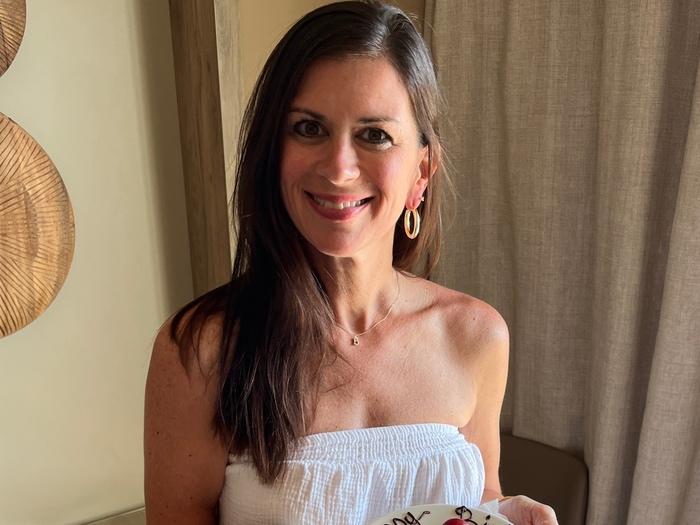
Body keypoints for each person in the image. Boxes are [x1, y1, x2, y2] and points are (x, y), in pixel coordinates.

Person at [144, 1, 558, 524]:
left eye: (374, 135)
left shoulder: (476, 336)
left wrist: (505, 512)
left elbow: (475, 502)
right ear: (273, 152)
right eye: (308, 128)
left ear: (421, 172)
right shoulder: (202, 351)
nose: (339, 168)